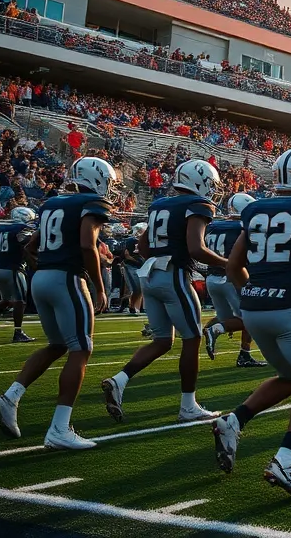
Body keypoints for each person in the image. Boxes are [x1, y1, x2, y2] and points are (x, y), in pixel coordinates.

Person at [211, 148, 291, 498]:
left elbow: (232, 265)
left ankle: (233, 420)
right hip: (289, 304)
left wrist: (255, 292)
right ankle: (286, 459)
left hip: (254, 307)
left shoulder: (253, 208)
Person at [0, 158, 114, 448]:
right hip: (66, 279)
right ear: (97, 179)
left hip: (42, 278)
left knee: (57, 345)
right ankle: (60, 428)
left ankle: (10, 398)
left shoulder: (53, 203)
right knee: (81, 349)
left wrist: (44, 266)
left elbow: (30, 245)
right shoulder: (92, 203)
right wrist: (98, 287)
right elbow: (87, 245)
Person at [101, 159, 224, 423]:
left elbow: (143, 247)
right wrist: (229, 264)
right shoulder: (197, 205)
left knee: (162, 341)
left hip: (150, 275)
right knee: (192, 339)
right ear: (199, 181)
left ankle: (119, 380)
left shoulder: (159, 205)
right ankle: (188, 405)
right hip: (174, 275)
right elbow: (196, 248)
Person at [202, 192, 266, 367]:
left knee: (230, 319)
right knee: (252, 317)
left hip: (212, 278)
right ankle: (219, 333)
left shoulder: (213, 226)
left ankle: (210, 330)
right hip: (233, 278)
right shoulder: (243, 227)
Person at [0, 206, 38, 342]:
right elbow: (27, 243)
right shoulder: (21, 229)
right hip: (13, 268)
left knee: (6, 300)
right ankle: (18, 332)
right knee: (20, 302)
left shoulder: (1, 228)